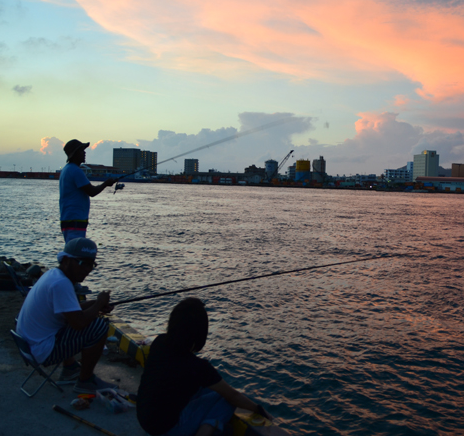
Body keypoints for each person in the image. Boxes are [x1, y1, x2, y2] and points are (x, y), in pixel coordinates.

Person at [137, 298, 273, 436]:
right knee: (225, 399)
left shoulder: (159, 342)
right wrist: (258, 410)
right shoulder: (197, 366)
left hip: (144, 420)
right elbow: (233, 396)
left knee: (210, 391)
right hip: (167, 430)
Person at [15, 237, 117, 392]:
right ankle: (85, 381)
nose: (88, 269)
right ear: (66, 260)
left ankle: (70, 369)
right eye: (83, 263)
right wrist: (98, 304)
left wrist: (96, 304)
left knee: (76, 321)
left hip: (27, 345)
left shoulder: (53, 275)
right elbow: (78, 323)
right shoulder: (61, 284)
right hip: (41, 350)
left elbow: (70, 311)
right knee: (99, 327)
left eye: (91, 264)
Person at [59, 139, 117, 242]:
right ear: (75, 154)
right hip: (76, 220)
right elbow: (92, 191)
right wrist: (106, 184)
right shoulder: (76, 171)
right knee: (75, 252)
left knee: (72, 250)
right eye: (81, 150)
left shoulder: (66, 169)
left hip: (68, 219)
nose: (84, 153)